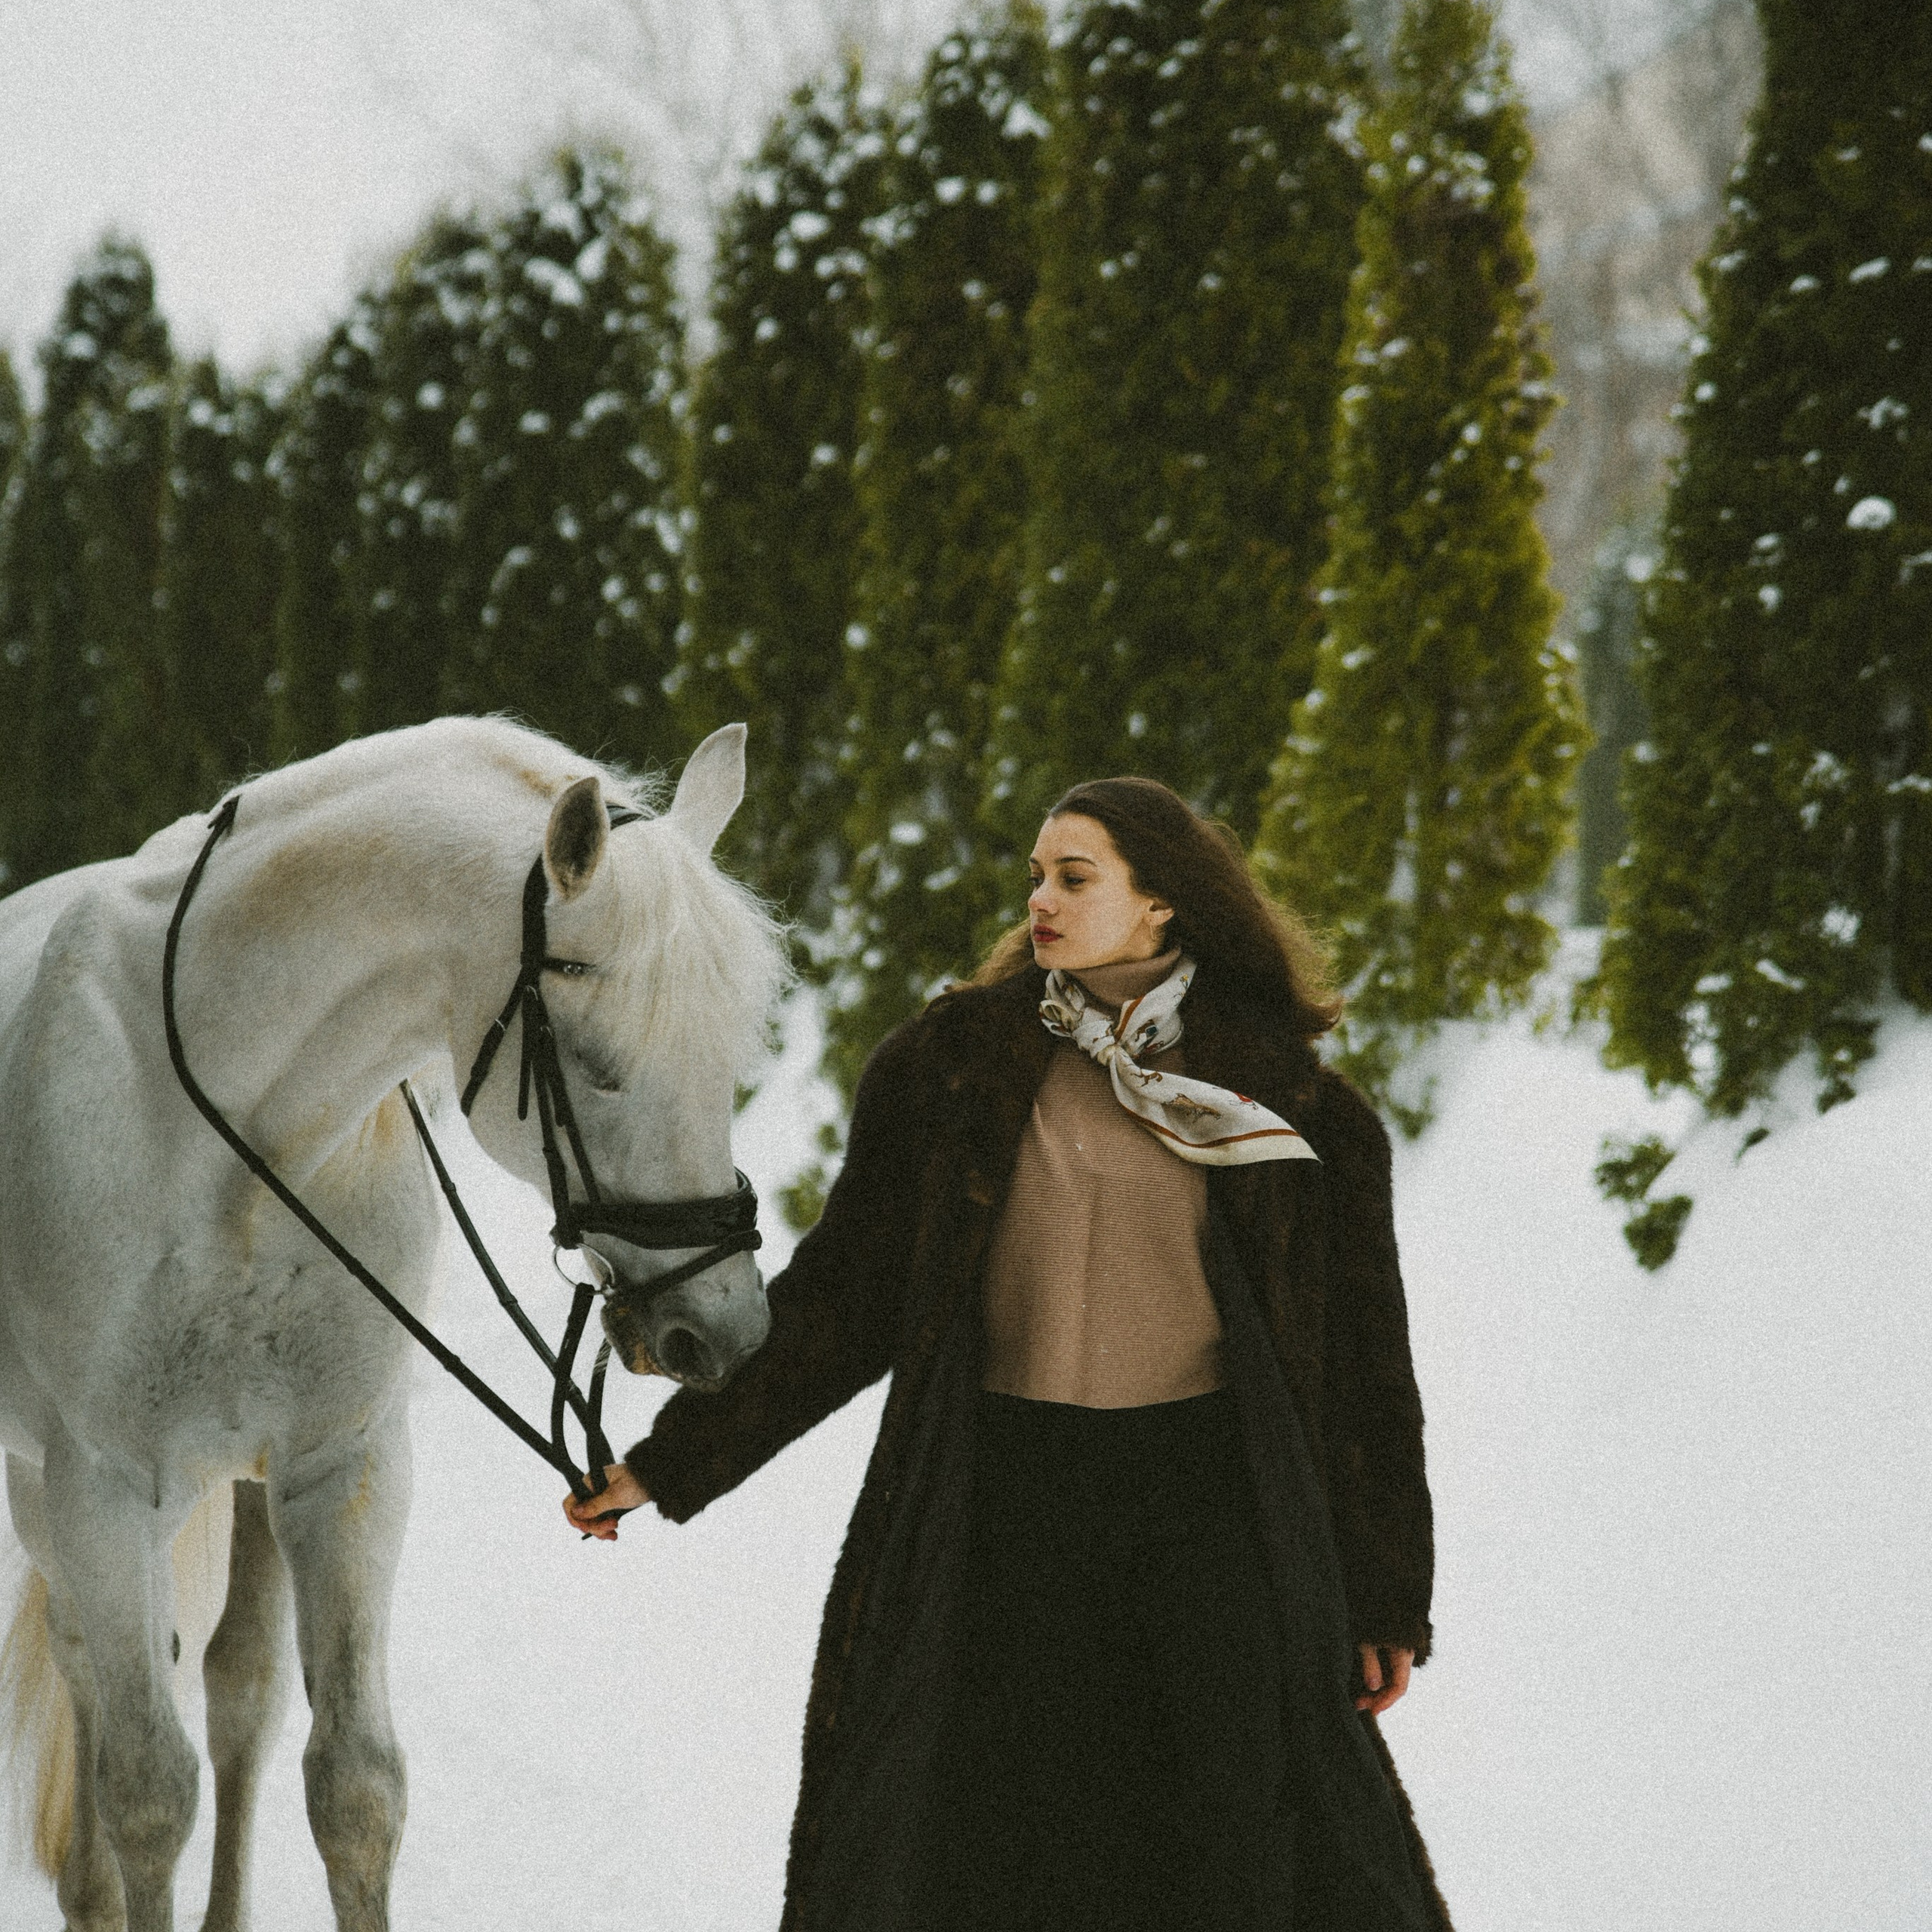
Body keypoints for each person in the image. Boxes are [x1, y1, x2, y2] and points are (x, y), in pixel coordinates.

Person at [567, 777, 1452, 1932]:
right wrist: (676, 1461)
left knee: (1225, 1834)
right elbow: (845, 1297)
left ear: (1163, 907)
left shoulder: (1293, 1108)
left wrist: (1386, 1591)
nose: (1040, 898)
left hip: (1209, 1516)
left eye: (1075, 878)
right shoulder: (953, 1069)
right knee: (998, 1836)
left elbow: (1366, 1376)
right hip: (1007, 1507)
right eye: (1036, 875)